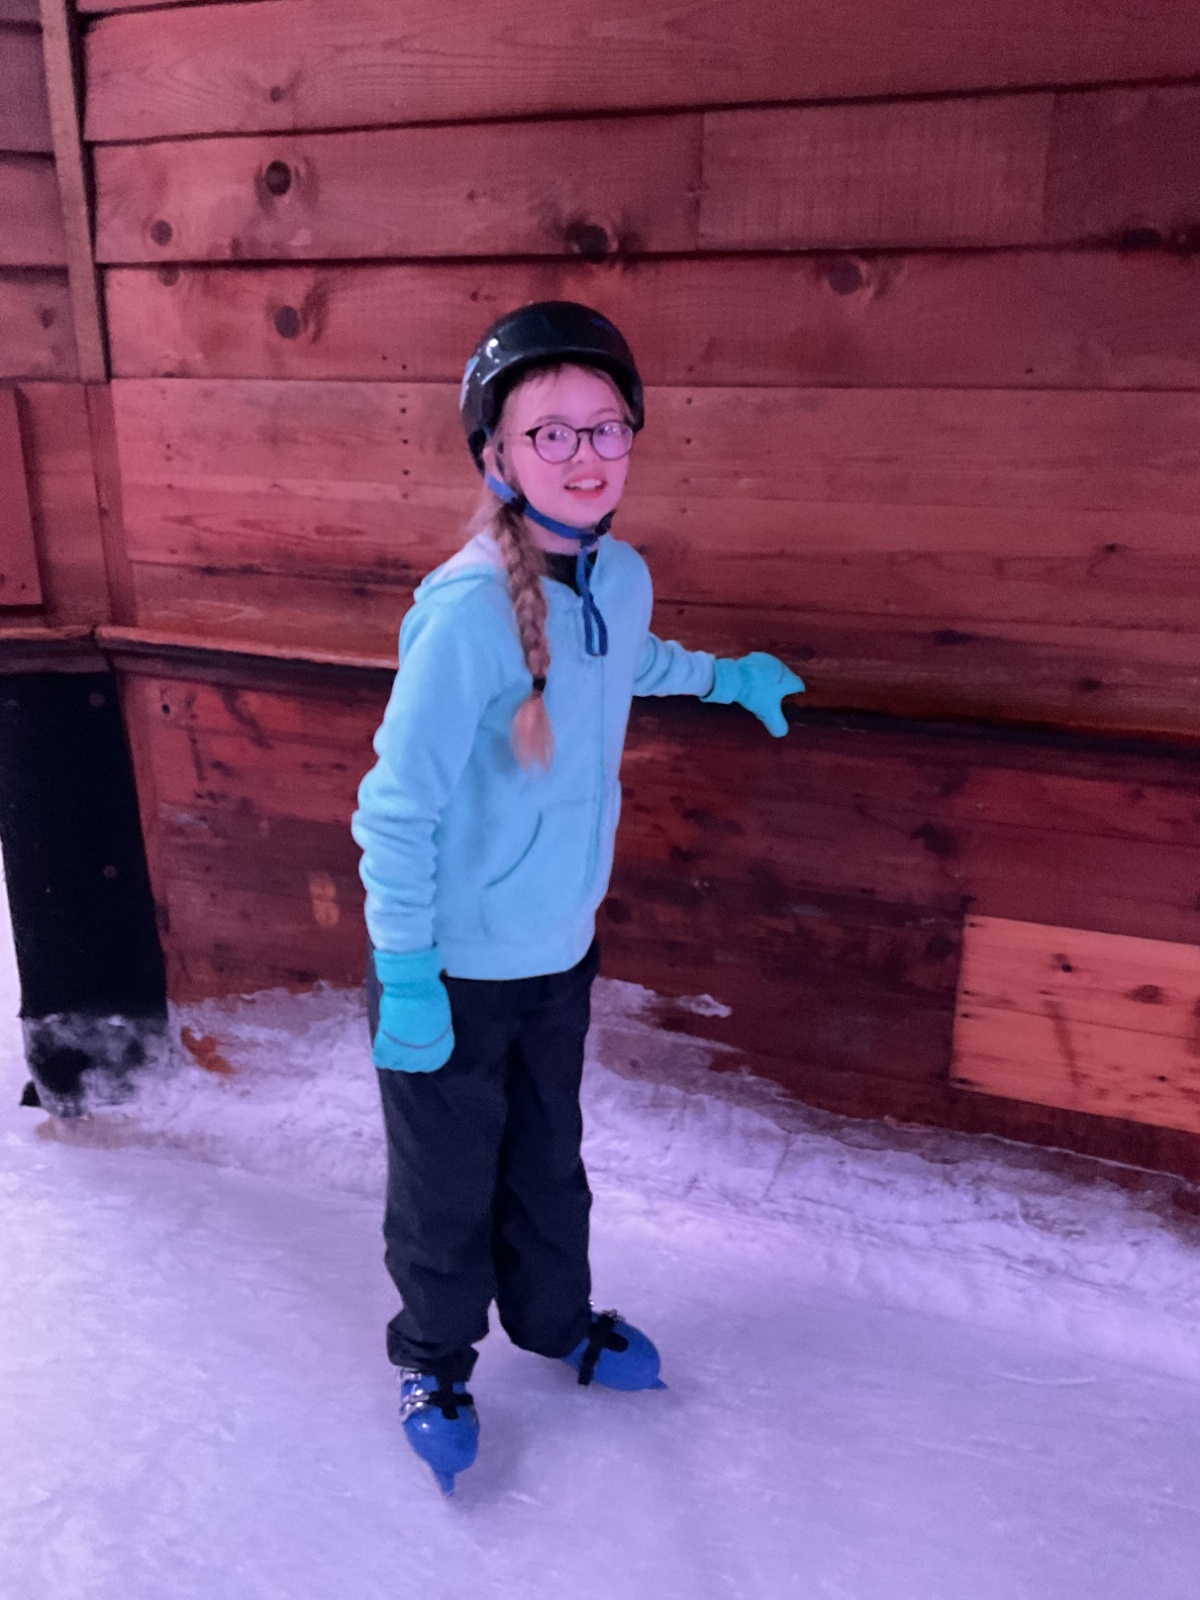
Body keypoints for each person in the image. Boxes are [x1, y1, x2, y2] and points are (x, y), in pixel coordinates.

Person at [352, 302, 805, 1494]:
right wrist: (405, 969)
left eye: (607, 426)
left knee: (549, 1159)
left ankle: (556, 1322)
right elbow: (394, 808)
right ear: (497, 455)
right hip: (448, 967)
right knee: (447, 1184)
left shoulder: (624, 576)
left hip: (557, 952)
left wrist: (723, 679)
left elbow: (627, 656)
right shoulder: (466, 611)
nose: (586, 453)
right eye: (549, 433)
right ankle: (432, 1359)